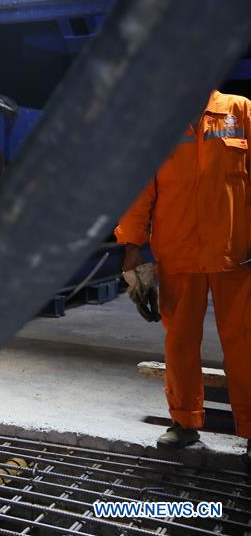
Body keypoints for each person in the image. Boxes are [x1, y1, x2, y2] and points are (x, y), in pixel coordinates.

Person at [116, 89, 250, 462]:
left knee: (244, 341)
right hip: (177, 252)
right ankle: (184, 422)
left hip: (235, 252)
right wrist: (131, 246)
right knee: (180, 341)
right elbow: (139, 189)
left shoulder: (240, 112)